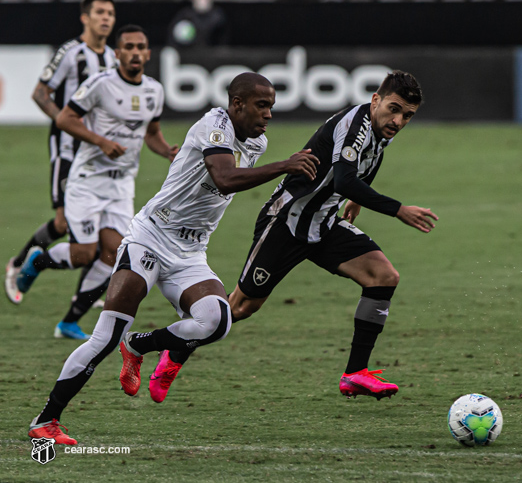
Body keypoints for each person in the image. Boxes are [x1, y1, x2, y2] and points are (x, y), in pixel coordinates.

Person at [27, 71, 319, 445]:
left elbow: (227, 178)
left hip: (190, 251)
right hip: (150, 238)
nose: (268, 114)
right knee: (103, 337)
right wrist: (285, 165)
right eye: (261, 105)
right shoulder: (214, 125)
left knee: (217, 320)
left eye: (272, 107)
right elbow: (225, 178)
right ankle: (45, 420)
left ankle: (138, 345)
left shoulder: (257, 142)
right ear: (237, 104)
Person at [226, 71, 438, 401]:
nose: (398, 120)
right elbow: (343, 180)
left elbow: (370, 159)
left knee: (383, 276)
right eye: (393, 109)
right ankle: (168, 348)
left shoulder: (382, 128)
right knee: (240, 308)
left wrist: (356, 199)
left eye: (407, 115)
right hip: (288, 220)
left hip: (323, 224)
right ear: (376, 100)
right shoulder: (355, 125)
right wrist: (398, 209)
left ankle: (355, 374)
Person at [16, 25, 179, 342]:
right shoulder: (99, 84)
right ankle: (38, 260)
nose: (134, 52)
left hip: (121, 186)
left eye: (140, 47)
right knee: (83, 254)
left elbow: (151, 134)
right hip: (88, 180)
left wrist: (167, 152)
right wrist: (100, 141)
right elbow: (65, 118)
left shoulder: (154, 91)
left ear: (147, 53)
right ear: (117, 54)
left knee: (114, 255)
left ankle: (69, 322)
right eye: (128, 47)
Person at [5, 0, 117, 337]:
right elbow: (40, 93)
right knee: (64, 220)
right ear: (85, 18)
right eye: (99, 12)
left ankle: (80, 302)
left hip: (97, 154)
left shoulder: (112, 57)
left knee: (104, 234)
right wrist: (67, 123)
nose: (105, 19)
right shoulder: (70, 53)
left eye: (110, 13)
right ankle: (18, 264)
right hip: (69, 148)